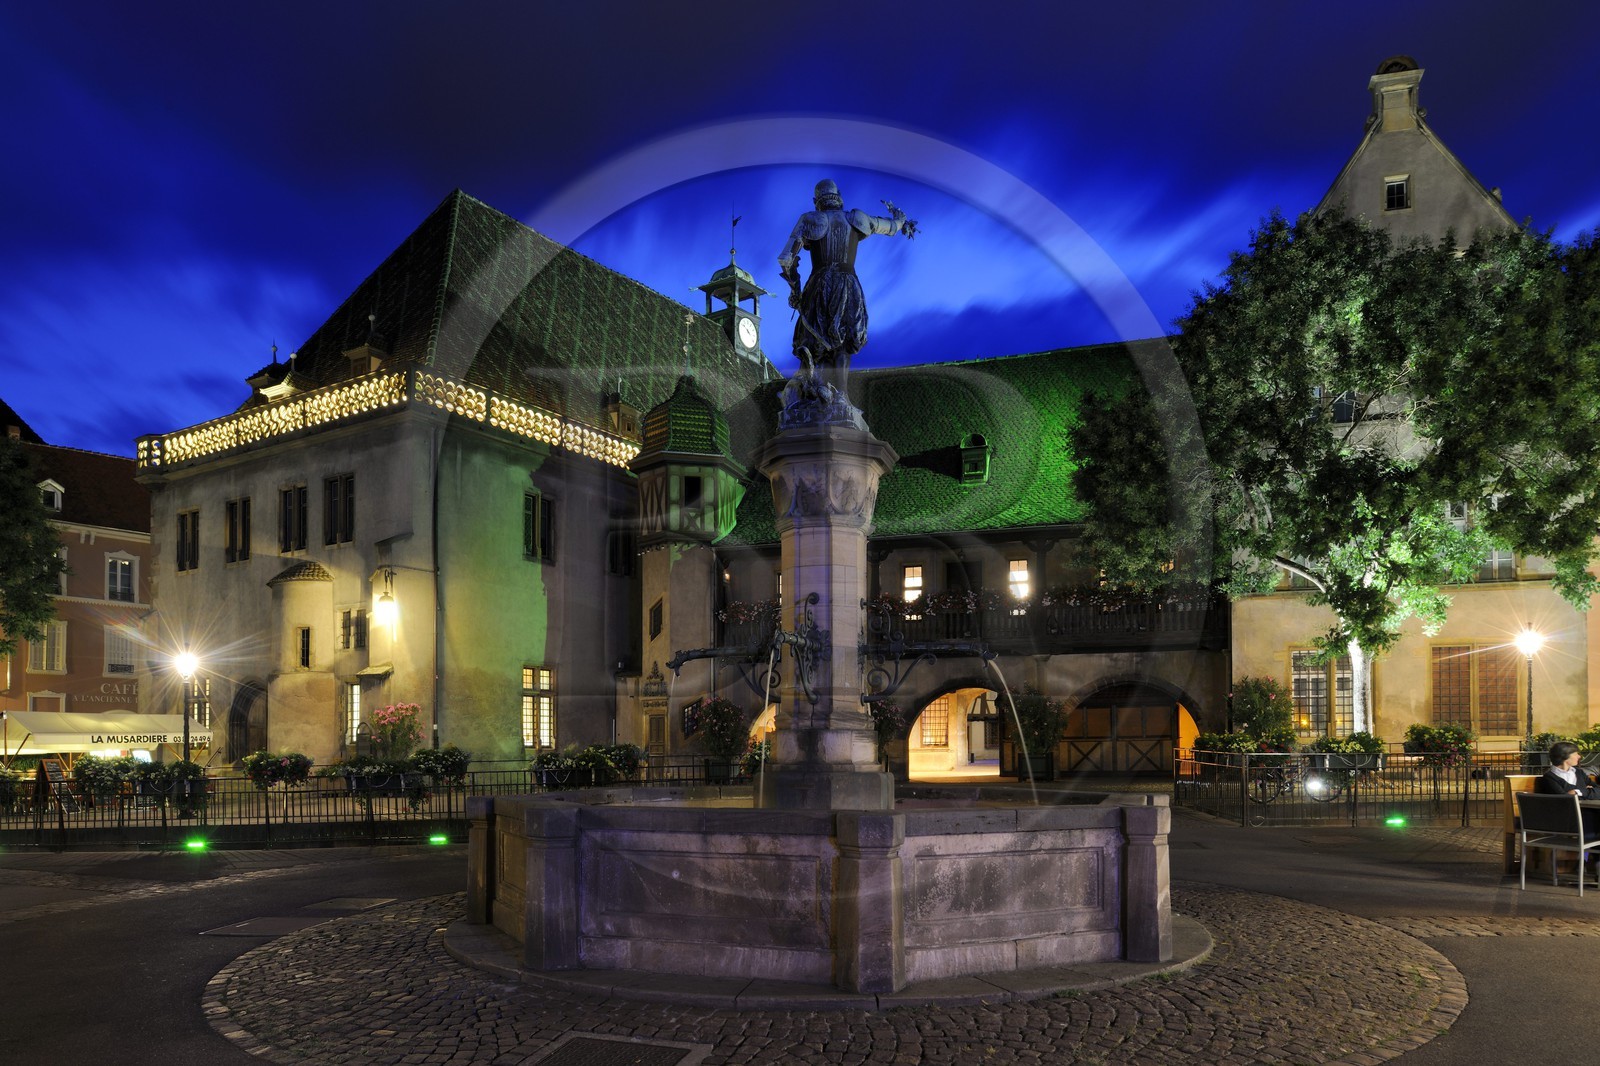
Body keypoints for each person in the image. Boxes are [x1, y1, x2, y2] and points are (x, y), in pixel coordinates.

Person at [777, 179, 915, 395]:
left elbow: (786, 259)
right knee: (844, 340)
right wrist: (900, 218)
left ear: (816, 201)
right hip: (848, 284)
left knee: (813, 343)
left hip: (819, 285)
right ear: (838, 196)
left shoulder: (810, 220)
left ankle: (810, 393)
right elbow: (891, 227)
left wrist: (795, 291)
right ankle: (842, 397)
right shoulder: (857, 219)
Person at [1537, 740, 1600, 843]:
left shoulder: (1579, 773)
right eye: (1576, 754)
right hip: (1567, 819)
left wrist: (1578, 792)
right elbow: (1564, 799)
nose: (1579, 757)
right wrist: (1587, 791)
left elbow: (1598, 790)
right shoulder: (1549, 778)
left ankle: (1592, 856)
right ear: (1565, 756)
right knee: (1591, 818)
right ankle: (1590, 856)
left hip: (1586, 814)